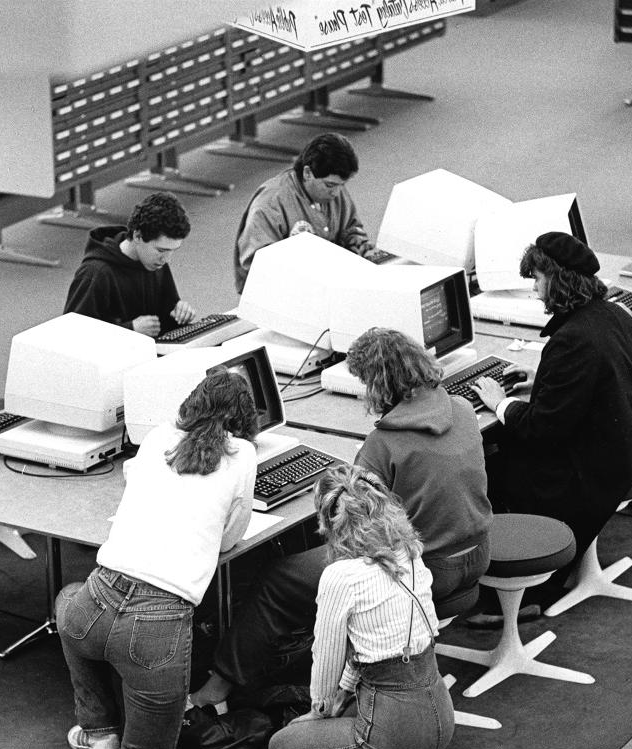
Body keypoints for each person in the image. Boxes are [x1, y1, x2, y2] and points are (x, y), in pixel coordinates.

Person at [191, 328, 492, 707]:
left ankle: (218, 687)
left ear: (379, 384)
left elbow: (343, 520)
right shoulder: (462, 410)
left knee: (278, 577)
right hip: (476, 553)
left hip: (424, 570)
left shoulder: (384, 444)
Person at [40, 368, 258, 749]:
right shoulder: (243, 455)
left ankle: (97, 730)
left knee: (65, 602)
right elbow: (232, 535)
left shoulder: (158, 436)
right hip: (157, 624)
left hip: (97, 599)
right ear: (245, 421)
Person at [471, 233, 632, 611]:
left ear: (557, 281)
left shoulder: (572, 339)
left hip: (601, 469)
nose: (535, 291)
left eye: (538, 280)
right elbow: (589, 381)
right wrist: (540, 375)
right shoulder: (612, 315)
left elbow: (542, 428)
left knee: (489, 460)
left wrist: (500, 403)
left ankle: (521, 586)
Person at [267, 465, 464, 749]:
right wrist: (344, 694)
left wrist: (321, 710)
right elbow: (372, 648)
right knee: (354, 711)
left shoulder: (340, 576)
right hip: (441, 717)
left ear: (330, 523)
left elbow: (326, 658)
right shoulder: (411, 554)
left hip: (390, 732)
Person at [233, 132, 374, 292]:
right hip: (283, 292)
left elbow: (351, 229)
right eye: (330, 186)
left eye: (341, 185)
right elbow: (257, 264)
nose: (336, 193)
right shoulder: (271, 203)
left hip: (326, 284)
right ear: (308, 173)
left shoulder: (335, 190)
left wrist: (363, 250)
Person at [62, 191, 196, 337]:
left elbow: (165, 318)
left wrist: (179, 313)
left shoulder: (156, 263)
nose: (166, 259)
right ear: (137, 236)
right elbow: (72, 335)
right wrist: (129, 329)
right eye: (161, 250)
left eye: (173, 251)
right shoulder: (95, 273)